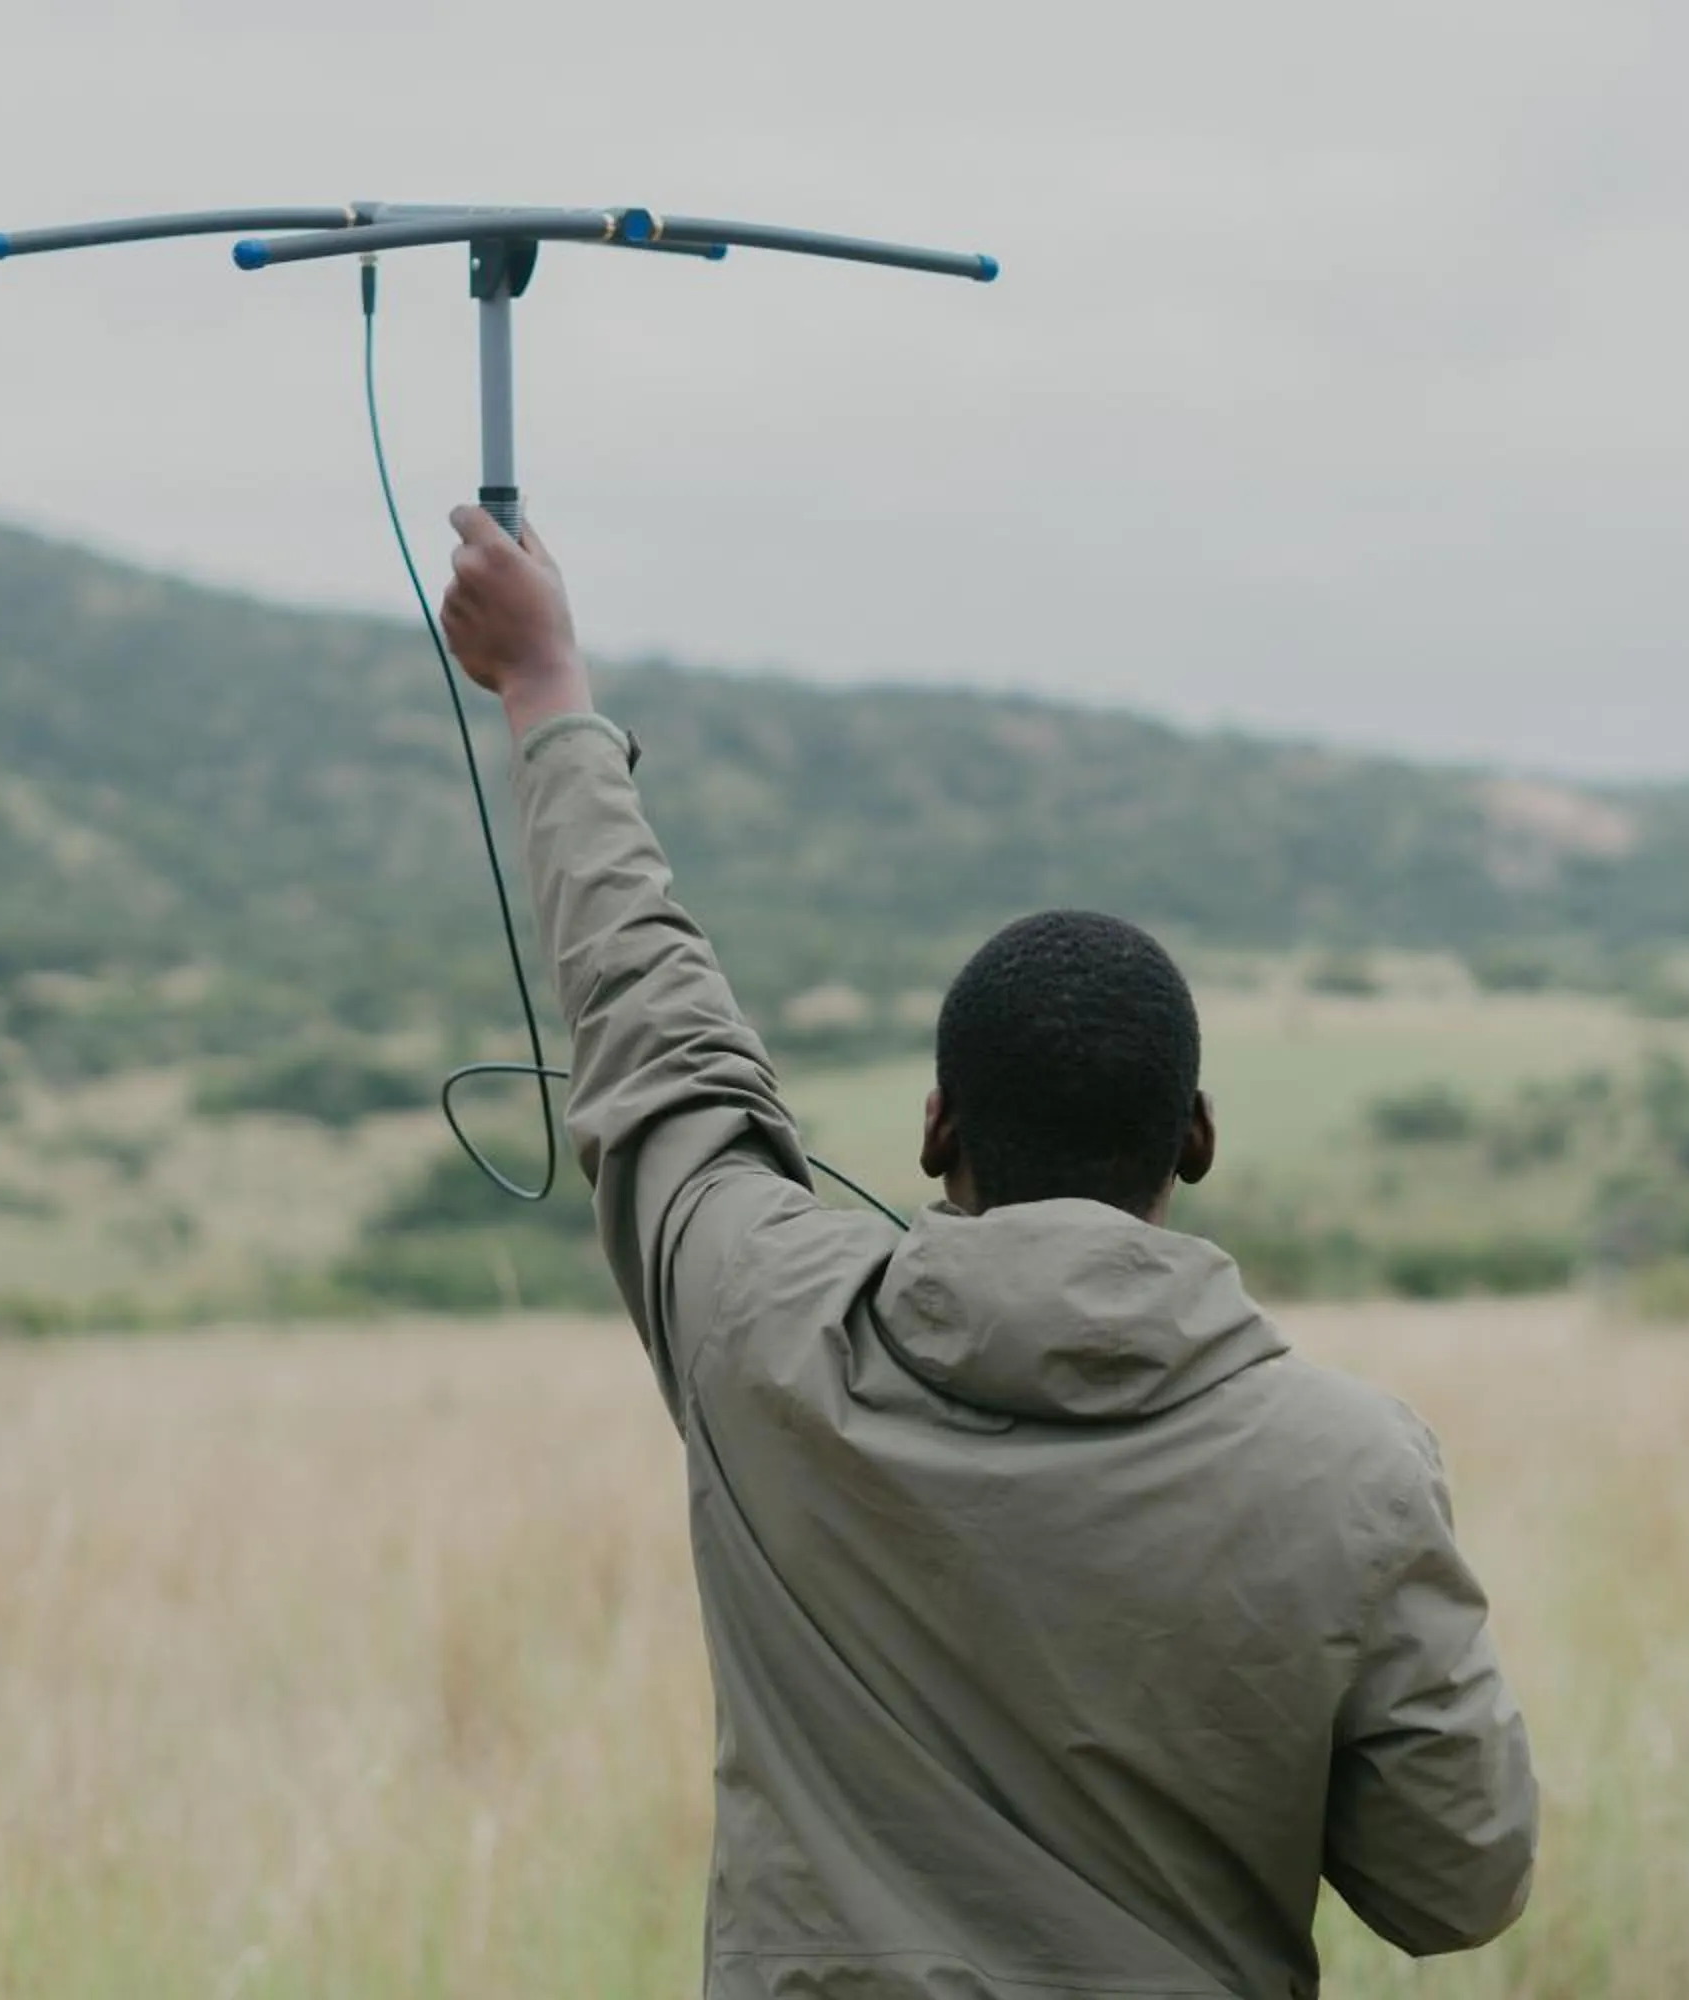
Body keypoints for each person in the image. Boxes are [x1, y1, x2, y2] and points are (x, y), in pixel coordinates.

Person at [441, 506, 1538, 2000]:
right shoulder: (1352, 1468)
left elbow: (656, 1031)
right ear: (1194, 1138)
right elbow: (1453, 1884)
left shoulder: (761, 1329)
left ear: (937, 1127)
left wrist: (546, 689)